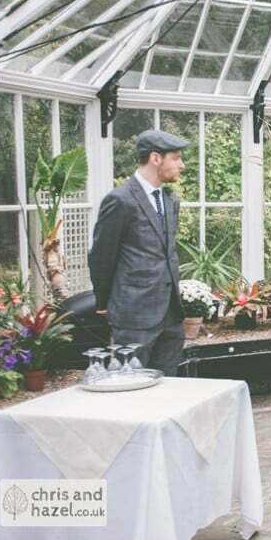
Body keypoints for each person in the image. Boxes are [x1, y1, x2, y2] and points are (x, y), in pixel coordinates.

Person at [88, 130, 189, 376]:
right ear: (156, 158)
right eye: (175, 158)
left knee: (168, 388)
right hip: (134, 315)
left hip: (171, 314)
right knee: (132, 390)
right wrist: (103, 302)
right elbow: (102, 256)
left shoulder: (169, 199)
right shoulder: (120, 200)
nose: (181, 165)